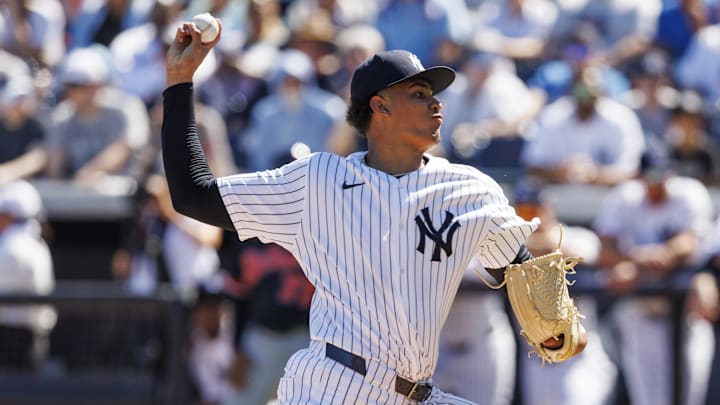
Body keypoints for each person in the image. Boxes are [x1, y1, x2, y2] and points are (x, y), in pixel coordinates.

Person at [162, 19, 585, 404]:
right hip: (332, 386)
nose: (436, 104)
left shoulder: (471, 189)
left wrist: (554, 325)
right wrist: (180, 82)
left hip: (416, 393)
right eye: (419, 95)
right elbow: (193, 194)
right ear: (379, 107)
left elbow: (521, 269)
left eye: (434, 95)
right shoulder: (318, 180)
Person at [592, 150, 716, 405]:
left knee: (690, 396)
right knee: (649, 399)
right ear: (638, 177)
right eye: (650, 176)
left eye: (662, 176)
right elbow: (604, 250)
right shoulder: (624, 197)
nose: (656, 183)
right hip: (642, 315)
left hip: (686, 316)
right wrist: (641, 259)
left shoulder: (689, 193)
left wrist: (652, 257)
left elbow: (689, 243)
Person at [0, 180, 55, 369]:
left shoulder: (15, 248)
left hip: (13, 341)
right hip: (28, 338)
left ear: (8, 216)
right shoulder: (34, 242)